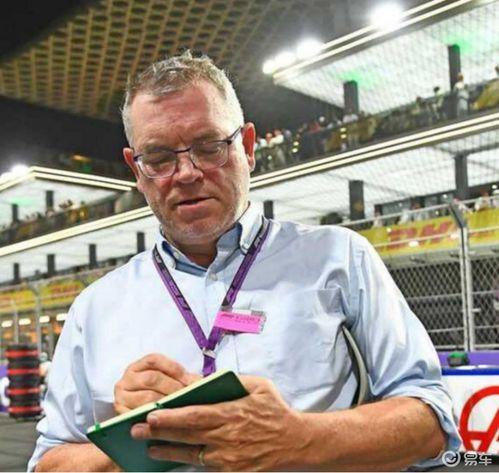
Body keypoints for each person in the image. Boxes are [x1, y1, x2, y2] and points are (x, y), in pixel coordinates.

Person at [29, 52, 459, 472]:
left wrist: (299, 438)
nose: (187, 173)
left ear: (248, 146)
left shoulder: (339, 258)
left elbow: (431, 424)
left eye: (209, 147)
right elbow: (48, 463)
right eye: (159, 159)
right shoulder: (95, 309)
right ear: (137, 171)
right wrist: (133, 441)